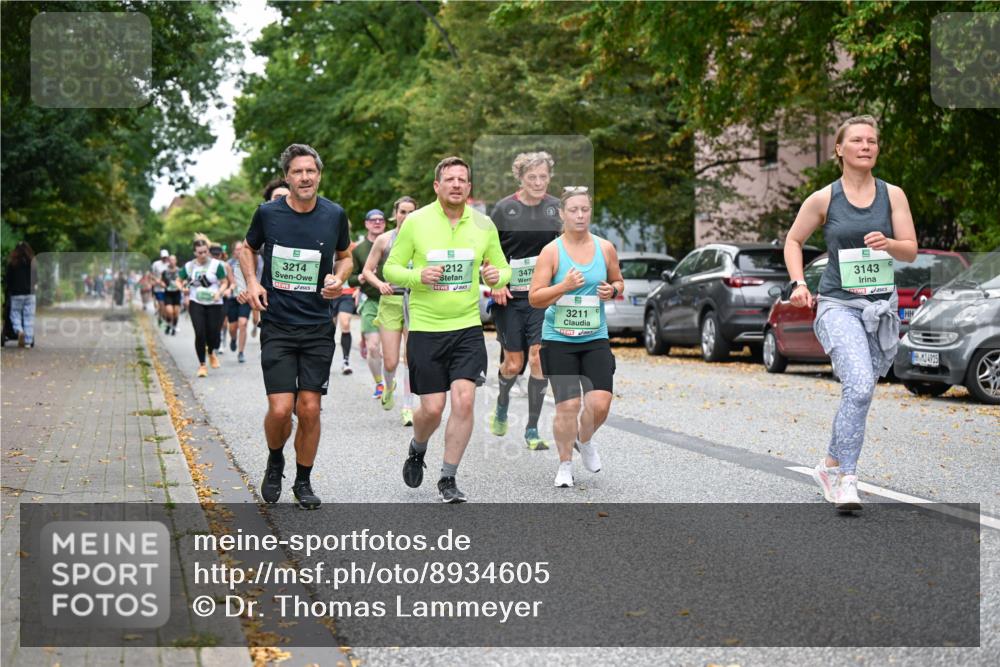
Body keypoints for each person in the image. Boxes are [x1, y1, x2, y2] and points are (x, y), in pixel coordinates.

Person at [784, 114, 917, 511]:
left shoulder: (892, 195)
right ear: (839, 149)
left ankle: (827, 463)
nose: (866, 146)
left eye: (872, 141)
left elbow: (910, 248)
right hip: (838, 303)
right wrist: (799, 284)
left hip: (880, 307)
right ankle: (847, 478)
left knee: (861, 392)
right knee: (858, 385)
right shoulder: (825, 198)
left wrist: (890, 243)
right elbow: (794, 240)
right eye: (857, 140)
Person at [384, 157, 511, 503]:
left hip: (467, 328)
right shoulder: (416, 223)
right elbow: (392, 268)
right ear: (437, 186)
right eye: (449, 179)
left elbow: (502, 267)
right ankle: (417, 447)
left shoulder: (484, 225)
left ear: (469, 188)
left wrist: (497, 277)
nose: (456, 184)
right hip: (426, 330)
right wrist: (416, 277)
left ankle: (448, 478)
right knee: (432, 409)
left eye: (462, 180)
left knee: (465, 400)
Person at [241, 144, 352, 510]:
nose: (305, 177)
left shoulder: (334, 215)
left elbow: (346, 256)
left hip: (318, 325)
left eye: (311, 171)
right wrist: (253, 284)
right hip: (279, 324)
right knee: (279, 409)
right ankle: (276, 459)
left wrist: (338, 278)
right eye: (298, 172)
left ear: (319, 175)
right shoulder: (268, 214)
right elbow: (247, 249)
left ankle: (303, 482)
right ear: (286, 177)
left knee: (309, 408)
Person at [528, 187, 624, 488]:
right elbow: (535, 298)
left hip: (595, 335)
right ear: (562, 214)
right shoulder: (552, 252)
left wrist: (614, 290)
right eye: (574, 210)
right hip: (559, 338)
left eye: (585, 209)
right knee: (567, 406)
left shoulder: (605, 248)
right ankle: (565, 465)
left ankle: (585, 439)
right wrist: (564, 286)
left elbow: (618, 280)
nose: (580, 215)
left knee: (600, 403)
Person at [487, 151, 562, 450]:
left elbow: (566, 246)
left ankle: (532, 428)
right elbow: (488, 250)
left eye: (543, 176)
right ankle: (502, 404)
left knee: (538, 359)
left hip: (542, 297)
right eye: (532, 177)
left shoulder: (557, 208)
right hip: (510, 296)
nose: (538, 182)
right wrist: (494, 281)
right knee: (513, 363)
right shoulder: (504, 209)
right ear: (520, 178)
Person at [362, 196, 419, 425]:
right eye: (402, 212)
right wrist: (379, 284)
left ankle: (408, 407)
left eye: (411, 212)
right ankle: (388, 385)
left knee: (411, 359)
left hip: (415, 302)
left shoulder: (421, 240)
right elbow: (367, 270)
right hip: (390, 302)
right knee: (390, 362)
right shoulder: (384, 240)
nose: (406, 216)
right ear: (395, 214)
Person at [351, 209, 389, 398]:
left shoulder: (393, 244)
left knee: (390, 352)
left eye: (380, 220)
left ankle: (390, 380)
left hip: (393, 301)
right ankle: (379, 383)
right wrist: (360, 278)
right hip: (371, 302)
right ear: (366, 224)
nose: (377, 223)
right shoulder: (359, 249)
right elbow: (350, 279)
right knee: (373, 347)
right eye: (372, 220)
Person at [178, 236, 229, 377]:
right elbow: (179, 280)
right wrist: (183, 288)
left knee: (213, 333)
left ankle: (211, 352)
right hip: (196, 302)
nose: (203, 255)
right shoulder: (189, 266)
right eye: (199, 252)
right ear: (195, 253)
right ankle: (202, 365)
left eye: (205, 251)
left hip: (214, 303)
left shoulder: (216, 265)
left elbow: (224, 282)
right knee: (200, 333)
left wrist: (220, 292)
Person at [5, 241, 38, 348]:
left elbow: (8, 280)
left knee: (15, 314)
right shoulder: (32, 263)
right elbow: (36, 279)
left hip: (16, 294)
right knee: (29, 317)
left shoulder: (12, 263)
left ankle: (19, 331)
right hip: (30, 294)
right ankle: (28, 341)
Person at [226, 240, 252, 363]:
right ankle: (233, 338)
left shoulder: (250, 263)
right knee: (232, 327)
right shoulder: (228, 264)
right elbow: (227, 282)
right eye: (237, 249)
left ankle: (241, 352)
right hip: (232, 298)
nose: (240, 251)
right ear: (233, 251)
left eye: (242, 248)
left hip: (245, 298)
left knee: (243, 323)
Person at [151, 249, 169, 328]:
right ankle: (162, 319)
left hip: (167, 289)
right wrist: (157, 281)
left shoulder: (169, 265)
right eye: (163, 257)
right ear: (161, 257)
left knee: (165, 306)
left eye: (166, 257)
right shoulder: (156, 264)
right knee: (161, 304)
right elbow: (151, 275)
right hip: (158, 288)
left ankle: (161, 318)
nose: (164, 259)